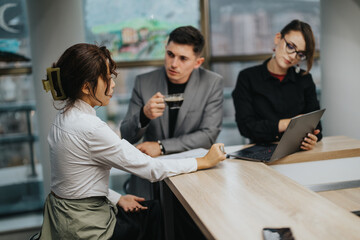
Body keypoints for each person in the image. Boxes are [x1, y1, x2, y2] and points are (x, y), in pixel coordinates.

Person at [37, 43, 226, 240]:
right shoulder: (91, 128)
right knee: (164, 214)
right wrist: (203, 161)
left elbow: (73, 183)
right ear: (86, 87)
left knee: (154, 211)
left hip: (64, 218)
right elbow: (153, 169)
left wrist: (118, 198)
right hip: (87, 227)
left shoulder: (63, 118)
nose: (112, 84)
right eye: (107, 78)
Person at [120, 25, 224, 157]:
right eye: (170, 54)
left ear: (198, 62)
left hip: (193, 167)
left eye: (183, 58)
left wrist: (161, 147)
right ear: (165, 50)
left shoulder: (212, 83)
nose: (174, 64)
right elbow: (126, 136)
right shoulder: (143, 82)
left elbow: (209, 135)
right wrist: (144, 114)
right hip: (152, 171)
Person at [232, 19, 322, 150]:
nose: (292, 56)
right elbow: (246, 127)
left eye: (300, 54)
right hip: (260, 153)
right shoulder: (247, 77)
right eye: (290, 46)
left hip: (296, 152)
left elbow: (317, 127)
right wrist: (287, 124)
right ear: (278, 38)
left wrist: (312, 139)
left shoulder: (305, 79)